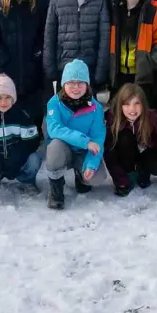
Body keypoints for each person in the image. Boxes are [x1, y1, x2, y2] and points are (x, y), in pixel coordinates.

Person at [0, 0, 51, 122]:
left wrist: (38, 54)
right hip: (9, 68)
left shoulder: (39, 3)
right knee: (12, 113)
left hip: (33, 68)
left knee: (34, 113)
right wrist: (3, 59)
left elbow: (45, 33)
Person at [42, 59, 108, 209]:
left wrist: (91, 165)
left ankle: (81, 174)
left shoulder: (96, 108)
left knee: (97, 177)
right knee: (55, 147)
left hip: (83, 151)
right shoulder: (54, 103)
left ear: (87, 85)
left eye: (80, 83)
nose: (76, 87)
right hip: (62, 150)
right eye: (71, 83)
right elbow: (55, 129)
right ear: (64, 84)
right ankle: (56, 189)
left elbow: (98, 138)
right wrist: (85, 141)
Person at [43, 0, 112, 93]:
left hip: (90, 67)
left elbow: (104, 38)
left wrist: (101, 71)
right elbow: (49, 37)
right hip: (65, 68)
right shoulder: (56, 0)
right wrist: (51, 70)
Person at [105, 83, 157, 195]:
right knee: (125, 138)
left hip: (146, 156)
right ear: (120, 105)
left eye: (137, 103)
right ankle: (129, 174)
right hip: (126, 158)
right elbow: (109, 154)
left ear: (143, 104)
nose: (132, 109)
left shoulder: (153, 119)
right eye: (127, 104)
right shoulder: (113, 121)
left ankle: (143, 172)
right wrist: (120, 179)